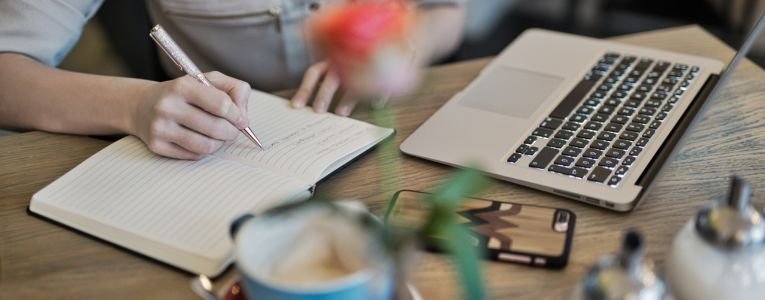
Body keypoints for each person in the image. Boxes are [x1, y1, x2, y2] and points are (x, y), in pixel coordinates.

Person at [0, 0, 466, 160]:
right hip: (215, 154)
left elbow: (447, 11)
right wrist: (134, 105)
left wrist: (406, 45)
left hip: (393, 129)